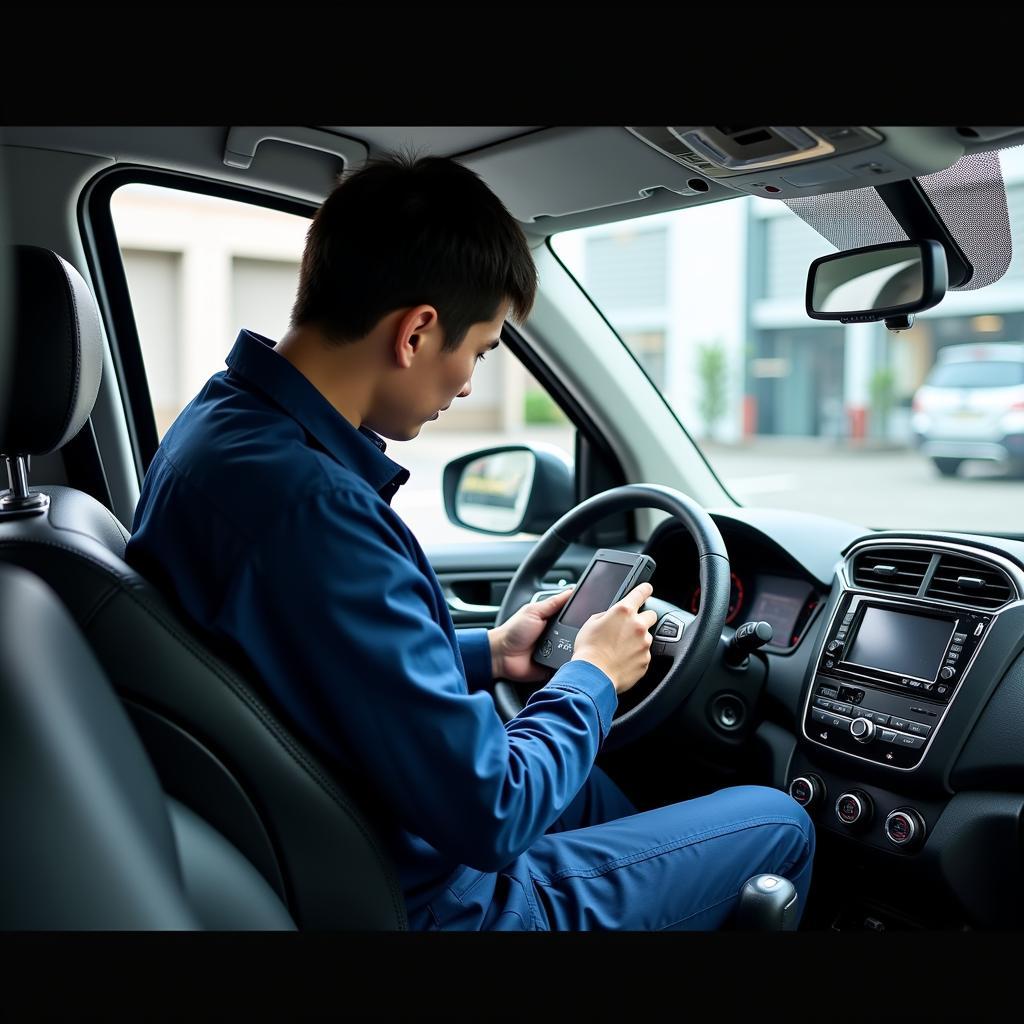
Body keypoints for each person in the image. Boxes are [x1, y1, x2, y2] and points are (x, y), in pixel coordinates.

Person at [126, 152, 814, 931]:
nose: (466, 384)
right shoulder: (317, 510)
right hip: (442, 900)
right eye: (481, 351)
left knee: (581, 777)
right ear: (418, 331)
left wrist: (492, 652)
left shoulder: (217, 432)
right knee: (776, 822)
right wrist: (590, 673)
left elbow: (308, 653)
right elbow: (493, 814)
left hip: (364, 839)